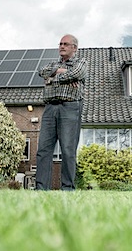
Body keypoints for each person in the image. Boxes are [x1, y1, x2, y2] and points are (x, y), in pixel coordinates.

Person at [35, 34, 87, 191]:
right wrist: (60, 72)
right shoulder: (53, 63)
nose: (61, 46)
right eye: (60, 44)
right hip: (50, 108)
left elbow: (76, 74)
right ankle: (41, 189)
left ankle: (68, 189)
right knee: (43, 149)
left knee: (68, 150)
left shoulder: (81, 62)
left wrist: (53, 77)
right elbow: (41, 72)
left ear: (74, 48)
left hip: (70, 108)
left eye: (65, 44)